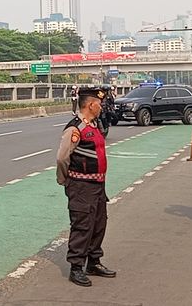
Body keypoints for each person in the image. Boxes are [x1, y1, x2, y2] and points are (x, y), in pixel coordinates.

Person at [56, 87, 116, 287]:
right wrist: (66, 181)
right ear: (91, 105)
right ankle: (76, 267)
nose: (102, 107)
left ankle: (94, 262)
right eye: (99, 104)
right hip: (81, 185)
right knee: (82, 225)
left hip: (97, 184)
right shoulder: (75, 129)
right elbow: (62, 158)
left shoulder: (95, 124)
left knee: (99, 223)